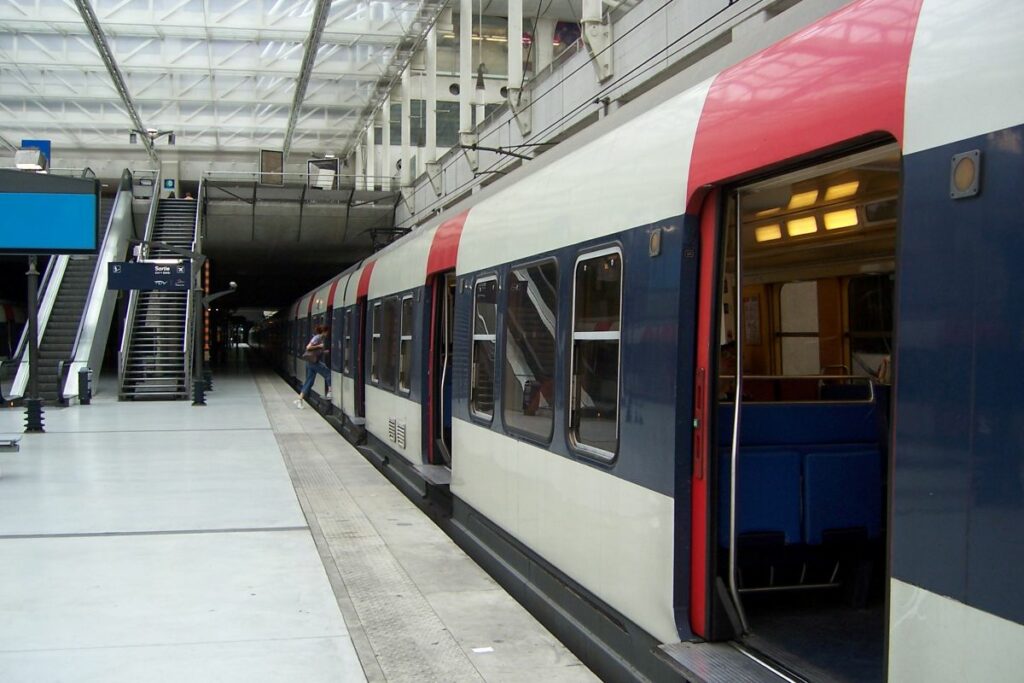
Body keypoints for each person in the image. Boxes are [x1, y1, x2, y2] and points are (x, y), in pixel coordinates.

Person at [295, 324, 331, 408]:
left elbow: (316, 351)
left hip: (311, 362)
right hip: (314, 362)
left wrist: (324, 352)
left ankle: (300, 400)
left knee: (309, 381)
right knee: (328, 373)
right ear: (324, 331)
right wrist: (319, 346)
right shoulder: (317, 337)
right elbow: (308, 347)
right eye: (327, 332)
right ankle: (330, 392)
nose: (328, 334)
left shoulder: (319, 338)